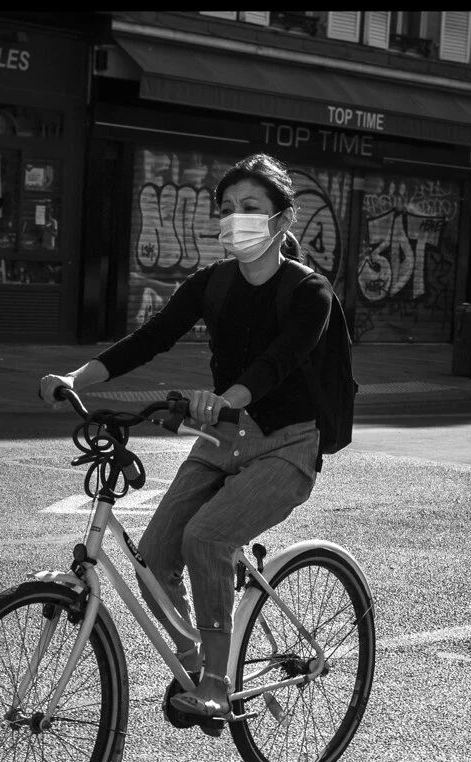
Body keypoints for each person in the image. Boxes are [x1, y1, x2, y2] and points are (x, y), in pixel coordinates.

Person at [39, 153, 334, 722]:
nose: (235, 219)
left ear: (281, 219)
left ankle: (218, 687)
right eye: (226, 209)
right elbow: (149, 339)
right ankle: (198, 659)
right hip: (223, 436)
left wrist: (227, 399)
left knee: (206, 536)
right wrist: (76, 378)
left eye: (250, 208)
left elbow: (277, 363)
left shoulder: (309, 292)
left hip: (288, 442)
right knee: (151, 559)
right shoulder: (212, 284)